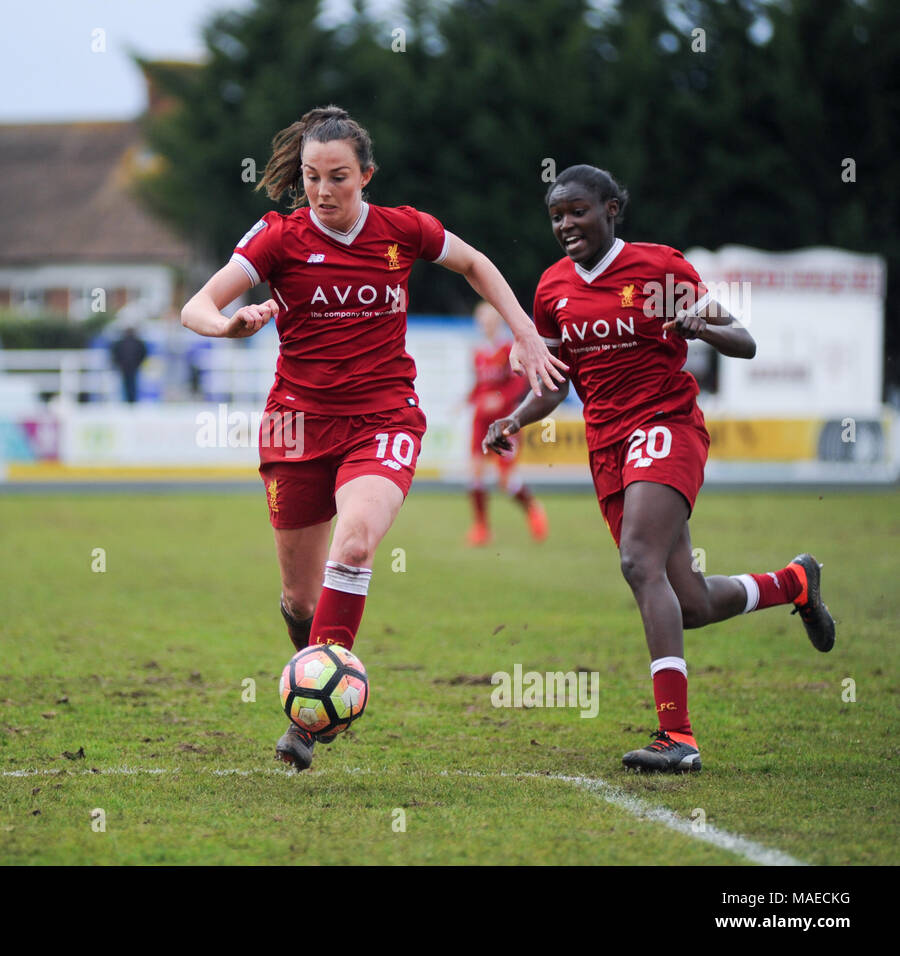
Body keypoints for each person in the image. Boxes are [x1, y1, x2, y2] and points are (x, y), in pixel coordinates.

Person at [181, 106, 567, 770]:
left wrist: (526, 335)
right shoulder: (278, 238)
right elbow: (197, 306)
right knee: (298, 600)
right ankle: (314, 669)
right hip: (295, 425)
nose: (323, 192)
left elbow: (475, 263)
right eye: (310, 177)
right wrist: (230, 325)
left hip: (383, 416)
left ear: (366, 175)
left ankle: (307, 726)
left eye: (338, 178)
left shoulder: (402, 230)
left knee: (355, 543)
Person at [484, 165, 836, 773]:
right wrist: (516, 419)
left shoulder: (659, 268)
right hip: (606, 446)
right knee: (690, 601)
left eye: (578, 211)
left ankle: (678, 738)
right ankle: (792, 584)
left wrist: (706, 327)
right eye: (556, 216)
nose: (566, 225)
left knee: (637, 562)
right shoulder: (551, 289)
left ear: (612, 209)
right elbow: (554, 382)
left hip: (667, 427)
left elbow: (745, 340)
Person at [464, 301, 547, 546]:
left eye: (489, 321)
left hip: (503, 422)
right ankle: (481, 528)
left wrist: (498, 399)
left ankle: (532, 507)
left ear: (497, 322)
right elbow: (480, 386)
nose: (485, 325)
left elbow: (517, 384)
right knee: (475, 474)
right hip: (481, 420)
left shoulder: (508, 349)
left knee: (505, 481)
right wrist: (469, 400)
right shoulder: (478, 352)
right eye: (482, 321)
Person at [110, 326, 148, 403]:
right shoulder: (136, 342)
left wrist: (119, 363)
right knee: (130, 383)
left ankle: (130, 400)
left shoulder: (122, 342)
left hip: (128, 366)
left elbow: (143, 353)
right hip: (129, 366)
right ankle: (130, 400)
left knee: (129, 383)